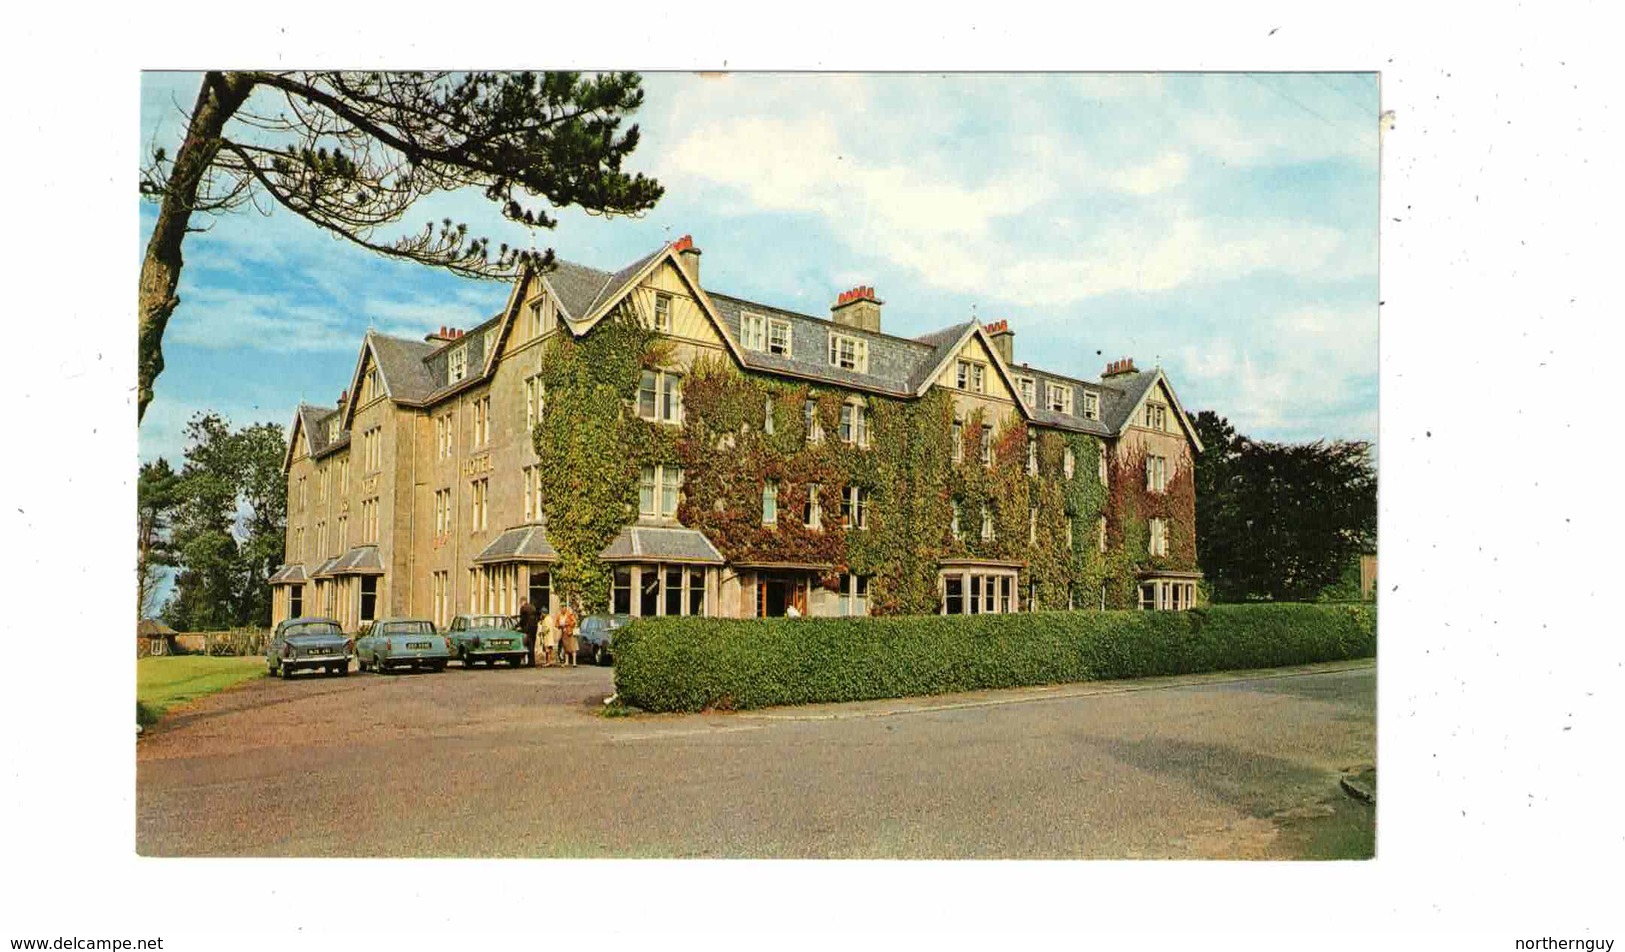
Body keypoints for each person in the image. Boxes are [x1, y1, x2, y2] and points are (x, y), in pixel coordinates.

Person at [517, 599, 539, 667]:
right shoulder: (533, 607)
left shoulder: (523, 608)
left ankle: (529, 662)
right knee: (532, 645)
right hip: (534, 628)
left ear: (522, 602)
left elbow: (522, 619)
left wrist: (518, 626)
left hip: (527, 629)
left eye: (520, 603)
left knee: (528, 645)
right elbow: (537, 616)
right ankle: (532, 662)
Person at [559, 601, 580, 667]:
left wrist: (567, 624)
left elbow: (574, 622)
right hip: (564, 633)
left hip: (570, 632)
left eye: (564, 607)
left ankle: (574, 662)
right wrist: (560, 625)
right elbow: (557, 623)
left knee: (573, 647)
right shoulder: (559, 615)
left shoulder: (569, 614)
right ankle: (567, 661)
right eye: (561, 607)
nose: (563, 608)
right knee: (566, 648)